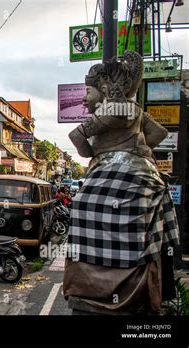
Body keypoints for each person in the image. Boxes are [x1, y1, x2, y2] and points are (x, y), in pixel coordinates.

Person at [64, 51, 179, 314]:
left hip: (114, 173)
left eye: (89, 91)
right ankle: (156, 285)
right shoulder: (134, 110)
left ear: (104, 89)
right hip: (145, 174)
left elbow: (77, 139)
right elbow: (159, 133)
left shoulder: (112, 109)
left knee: (83, 204)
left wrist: (99, 148)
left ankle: (97, 278)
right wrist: (135, 144)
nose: (84, 97)